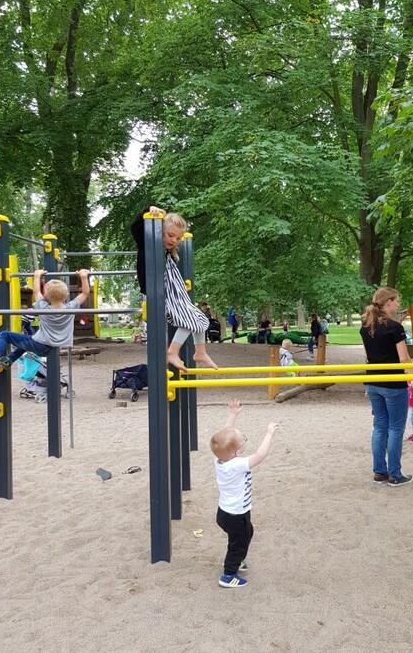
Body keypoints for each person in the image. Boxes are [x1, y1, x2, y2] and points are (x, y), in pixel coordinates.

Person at [131, 206, 218, 371]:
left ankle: (200, 352)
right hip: (160, 293)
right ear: (160, 231)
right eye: (170, 235)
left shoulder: (168, 253)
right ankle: (172, 352)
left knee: (200, 318)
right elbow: (135, 227)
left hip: (174, 294)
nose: (173, 240)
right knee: (188, 320)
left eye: (178, 238)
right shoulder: (148, 244)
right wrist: (147, 211)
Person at [209, 399, 280, 588]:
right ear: (239, 451)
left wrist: (233, 414)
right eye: (244, 438)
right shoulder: (237, 465)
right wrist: (269, 433)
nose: (244, 439)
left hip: (227, 512)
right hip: (235, 515)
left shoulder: (220, 460)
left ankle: (237, 560)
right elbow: (260, 455)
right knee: (238, 543)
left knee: (247, 533)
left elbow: (224, 436)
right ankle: (228, 575)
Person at [0, 269, 90, 369]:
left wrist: (37, 276)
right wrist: (84, 277)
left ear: (46, 296)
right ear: (66, 296)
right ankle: (9, 360)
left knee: (5, 335)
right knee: (26, 341)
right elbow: (85, 293)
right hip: (54, 348)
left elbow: (36, 292)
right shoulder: (71, 307)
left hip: (40, 344)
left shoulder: (42, 306)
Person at [359, 287, 413, 487]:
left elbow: (369, 356)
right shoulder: (394, 327)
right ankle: (395, 474)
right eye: (396, 301)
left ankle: (379, 471)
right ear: (388, 302)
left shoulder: (366, 326)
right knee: (396, 428)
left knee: (380, 427)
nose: (398, 305)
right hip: (393, 384)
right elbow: (403, 359)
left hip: (373, 382)